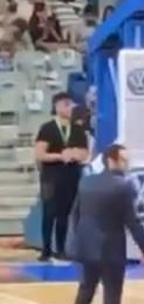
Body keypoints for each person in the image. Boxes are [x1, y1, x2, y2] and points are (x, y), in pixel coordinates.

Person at [64, 143, 144, 304]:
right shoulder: (123, 187)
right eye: (124, 160)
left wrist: (76, 244)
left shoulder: (86, 182)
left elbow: (75, 214)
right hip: (111, 251)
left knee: (82, 300)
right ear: (111, 160)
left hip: (87, 250)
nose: (127, 164)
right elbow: (132, 221)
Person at [34, 90, 90, 262]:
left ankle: (61, 248)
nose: (69, 108)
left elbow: (85, 153)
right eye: (65, 104)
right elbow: (39, 154)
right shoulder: (47, 128)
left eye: (70, 104)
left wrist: (73, 154)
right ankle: (46, 249)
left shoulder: (78, 129)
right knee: (49, 213)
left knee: (64, 214)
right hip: (51, 176)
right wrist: (60, 156)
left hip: (71, 175)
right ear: (57, 107)